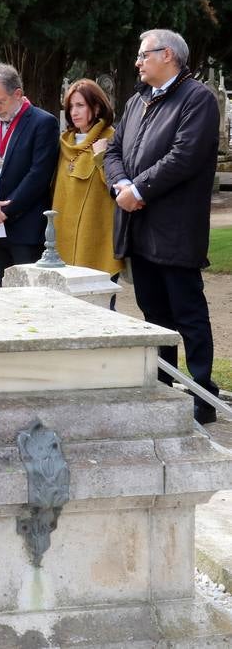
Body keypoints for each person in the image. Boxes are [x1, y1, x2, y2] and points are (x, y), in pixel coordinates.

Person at [105, 29, 220, 424]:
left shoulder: (198, 99)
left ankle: (203, 394)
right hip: (139, 226)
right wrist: (121, 183)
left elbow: (184, 155)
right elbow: (116, 149)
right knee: (154, 314)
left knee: (187, 312)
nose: (137, 62)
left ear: (167, 55)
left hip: (174, 228)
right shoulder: (138, 100)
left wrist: (140, 188)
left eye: (143, 54)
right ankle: (164, 389)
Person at [0, 64, 59, 287]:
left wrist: (3, 211)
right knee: (3, 293)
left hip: (25, 228)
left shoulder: (43, 122)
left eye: (0, 102)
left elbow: (38, 175)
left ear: (17, 94)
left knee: (30, 297)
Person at [52, 80, 121, 277]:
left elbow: (118, 188)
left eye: (80, 105)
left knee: (100, 304)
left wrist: (101, 158)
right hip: (63, 238)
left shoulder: (112, 139)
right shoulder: (64, 143)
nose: (74, 112)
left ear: (97, 107)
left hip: (97, 240)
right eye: (71, 106)